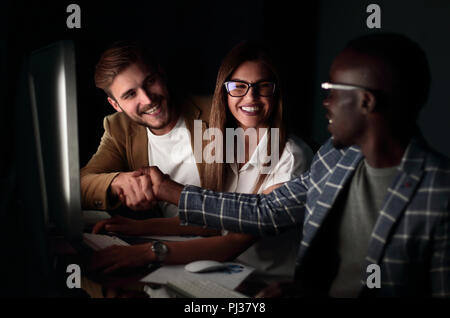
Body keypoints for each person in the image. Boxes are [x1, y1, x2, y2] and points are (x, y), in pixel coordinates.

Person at [144, 33, 450, 297]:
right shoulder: (334, 157)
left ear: (366, 102)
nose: (325, 102)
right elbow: (266, 212)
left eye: (332, 89)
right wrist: (172, 192)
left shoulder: (439, 193)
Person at [90, 42, 313, 285]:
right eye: (238, 87)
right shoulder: (225, 139)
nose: (250, 97)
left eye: (263, 87)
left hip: (265, 283)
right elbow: (215, 222)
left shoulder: (292, 156)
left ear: (276, 91)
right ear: (224, 91)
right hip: (221, 271)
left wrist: (148, 251)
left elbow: (234, 241)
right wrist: (137, 227)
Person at [80, 41, 214, 224]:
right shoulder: (119, 128)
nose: (148, 99)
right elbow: (80, 184)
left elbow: (243, 210)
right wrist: (116, 182)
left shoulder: (216, 111)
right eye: (130, 94)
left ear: (161, 73)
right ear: (115, 105)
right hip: (171, 241)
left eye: (150, 82)